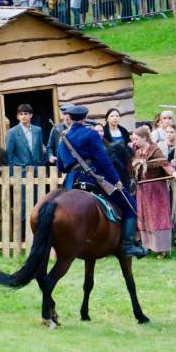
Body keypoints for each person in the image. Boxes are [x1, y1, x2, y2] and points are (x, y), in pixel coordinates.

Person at [56, 105, 145, 258]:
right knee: (130, 204)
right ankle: (128, 245)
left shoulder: (63, 137)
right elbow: (104, 161)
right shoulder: (91, 135)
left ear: (69, 118)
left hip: (71, 182)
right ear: (84, 118)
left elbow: (61, 166)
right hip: (92, 178)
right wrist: (116, 180)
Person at [130, 126, 174, 258]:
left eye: (136, 139)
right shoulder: (137, 152)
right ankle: (148, 246)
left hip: (156, 189)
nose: (134, 141)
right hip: (142, 190)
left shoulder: (155, 150)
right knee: (144, 217)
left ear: (144, 138)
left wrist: (174, 173)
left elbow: (165, 164)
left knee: (158, 217)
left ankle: (162, 249)